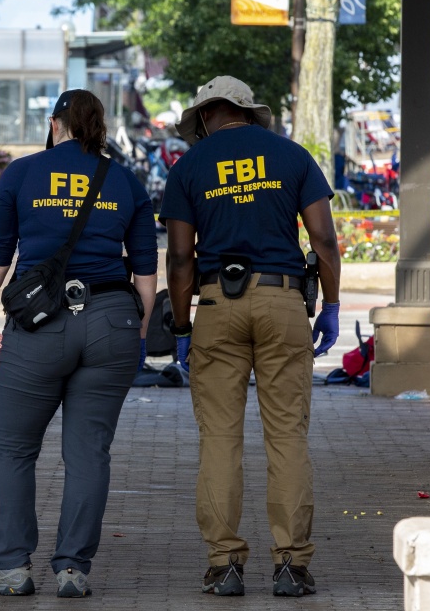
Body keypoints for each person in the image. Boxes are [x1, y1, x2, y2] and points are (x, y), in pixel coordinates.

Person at [0, 89, 158, 598]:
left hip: (40, 324)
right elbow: (145, 274)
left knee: (12, 447)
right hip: (112, 317)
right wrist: (135, 336)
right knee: (89, 452)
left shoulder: (23, 174)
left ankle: (10, 569)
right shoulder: (126, 180)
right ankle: (73, 569)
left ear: (55, 124)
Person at [159, 76, 341, 598]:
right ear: (246, 111)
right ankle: (291, 565)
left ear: (207, 116)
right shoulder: (292, 157)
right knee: (287, 437)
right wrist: (330, 306)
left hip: (217, 303)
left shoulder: (189, 167)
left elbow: (178, 258)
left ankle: (225, 565)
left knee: (219, 440)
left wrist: (181, 325)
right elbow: (324, 239)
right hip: (283, 301)